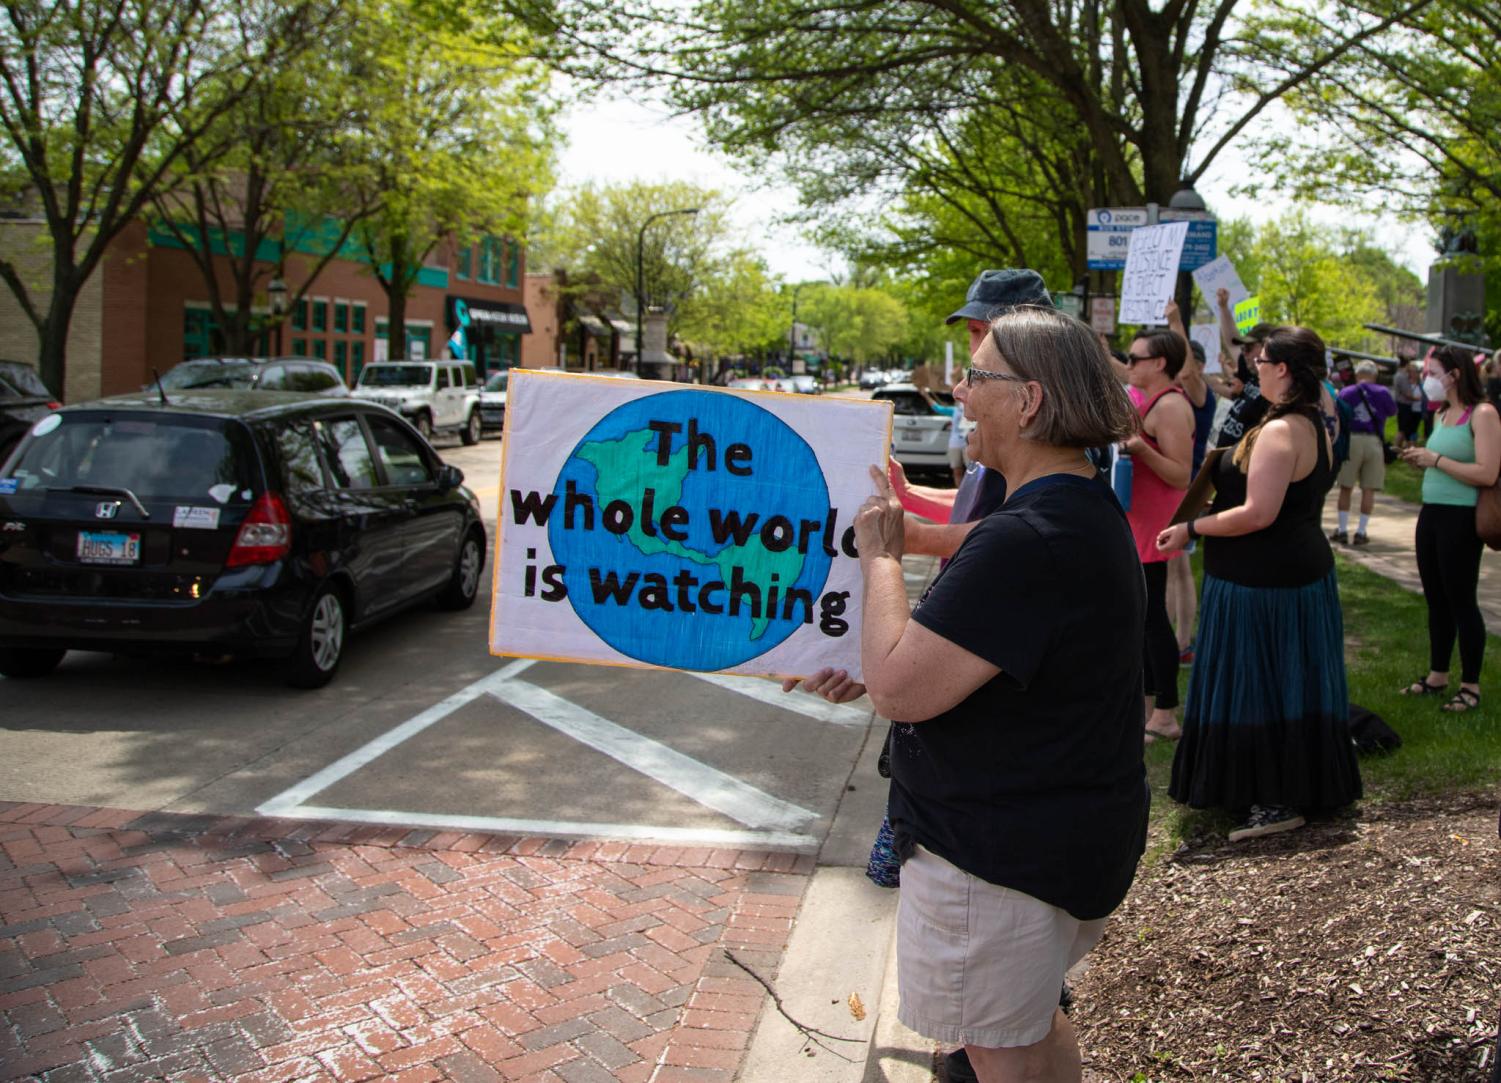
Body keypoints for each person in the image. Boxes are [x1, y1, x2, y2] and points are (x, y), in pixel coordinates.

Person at [790, 307, 1146, 1082]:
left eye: (976, 375)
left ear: (1028, 400)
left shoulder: (1023, 536)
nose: (958, 388)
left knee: (999, 1049)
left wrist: (881, 558)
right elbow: (998, 657)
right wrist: (903, 656)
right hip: (1057, 834)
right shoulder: (1076, 506)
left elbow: (895, 687)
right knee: (1028, 1028)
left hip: (995, 854)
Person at [1157, 326, 1362, 842]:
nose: (1255, 367)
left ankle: (1275, 799)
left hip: (1265, 581)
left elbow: (1256, 514)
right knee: (1285, 682)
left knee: (1262, 685)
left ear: (1284, 370)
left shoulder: (1282, 430)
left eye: (1263, 360)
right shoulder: (1311, 423)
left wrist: (1191, 527)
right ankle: (1288, 787)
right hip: (1288, 575)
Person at [1397, 344, 1501, 713]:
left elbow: (1487, 472)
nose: (1428, 381)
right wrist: (1422, 460)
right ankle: (1437, 675)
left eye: (1433, 374)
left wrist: (1435, 459)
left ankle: (1470, 686)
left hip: (1461, 518)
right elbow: (1444, 463)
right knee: (1436, 599)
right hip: (1432, 514)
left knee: (1461, 600)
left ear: (1455, 375)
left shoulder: (1483, 414)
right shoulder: (1443, 413)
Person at [1122, 329, 1194, 740]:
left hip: (1155, 524)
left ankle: (1166, 713)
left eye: (1135, 358)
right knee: (1144, 619)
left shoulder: (1169, 407)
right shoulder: (1152, 401)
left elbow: (1181, 474)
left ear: (1159, 363)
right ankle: (1151, 709)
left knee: (1152, 622)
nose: (1129, 364)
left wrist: (1142, 449)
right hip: (1141, 520)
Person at [1332, 361, 1398, 545]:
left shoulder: (1347, 391)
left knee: (1346, 486)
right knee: (1369, 489)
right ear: (1375, 376)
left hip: (1352, 440)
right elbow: (1392, 411)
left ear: (1357, 374)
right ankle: (1361, 532)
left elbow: (1338, 413)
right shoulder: (1383, 392)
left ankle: (1343, 529)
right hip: (1374, 441)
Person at [1393, 357, 1422, 449]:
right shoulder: (1402, 377)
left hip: (1410, 407)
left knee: (1408, 429)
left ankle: (1404, 446)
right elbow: (1407, 394)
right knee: (1403, 429)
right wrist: (1417, 398)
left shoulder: (1399, 375)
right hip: (1405, 405)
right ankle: (1396, 447)